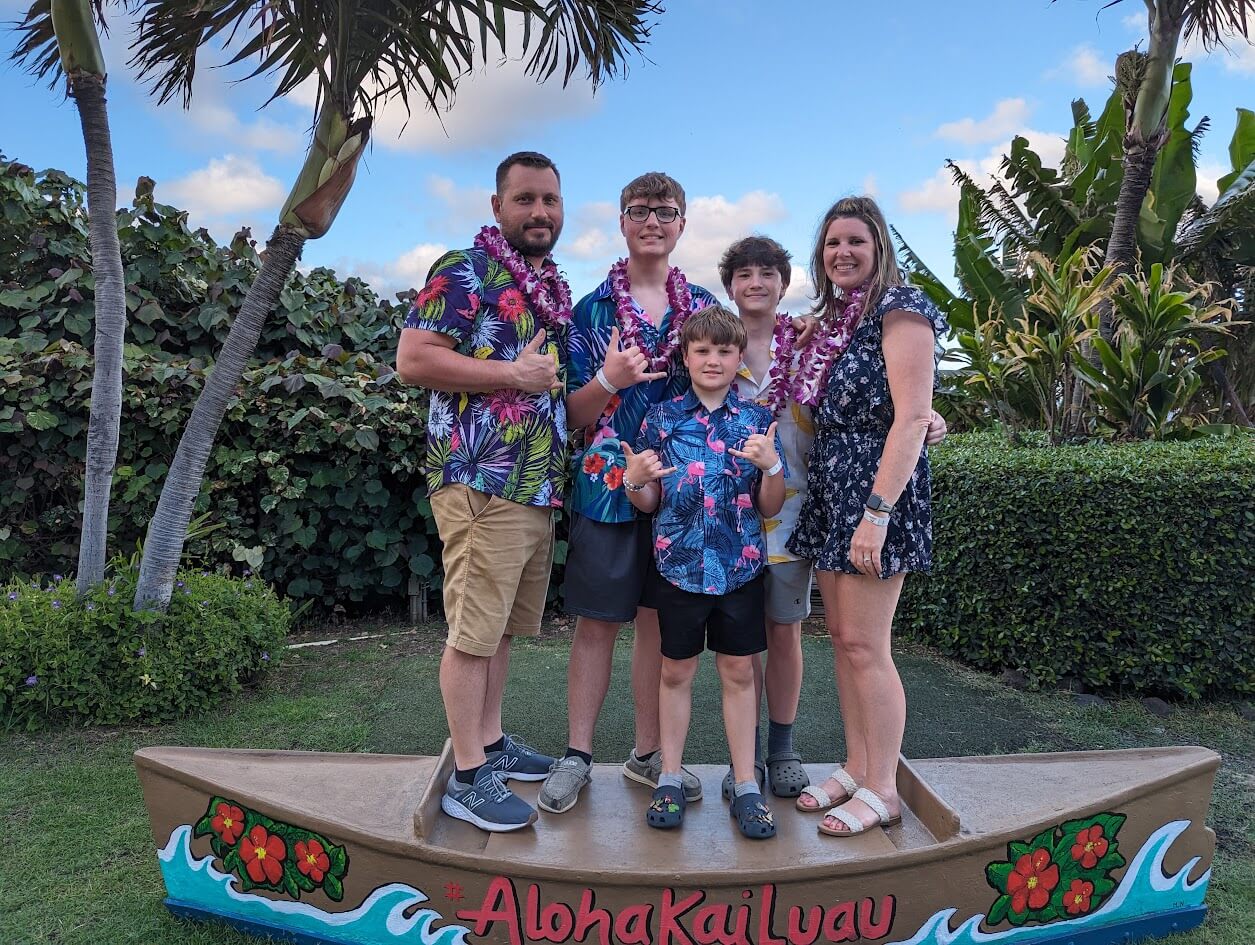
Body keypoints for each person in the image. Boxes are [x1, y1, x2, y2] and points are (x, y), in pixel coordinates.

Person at [395, 152, 659, 833]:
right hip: (481, 478)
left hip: (534, 485)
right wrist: (510, 372)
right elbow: (413, 359)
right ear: (497, 207)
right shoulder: (464, 269)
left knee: (502, 631)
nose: (540, 212)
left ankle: (489, 741)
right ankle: (468, 775)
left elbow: (565, 410)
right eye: (525, 199)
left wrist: (606, 381)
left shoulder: (549, 290)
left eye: (550, 200)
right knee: (473, 634)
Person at [719, 236, 949, 801]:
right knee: (828, 641)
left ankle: (801, 755)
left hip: (811, 507)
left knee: (810, 635)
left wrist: (925, 416)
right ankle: (764, 762)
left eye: (767, 273)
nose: (755, 283)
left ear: (784, 280)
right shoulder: (712, 341)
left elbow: (902, 397)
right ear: (728, 286)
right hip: (730, 519)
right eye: (743, 274)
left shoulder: (816, 337)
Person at [538, 172, 718, 815]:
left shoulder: (699, 307)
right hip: (607, 487)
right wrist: (611, 379)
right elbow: (573, 414)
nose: (652, 221)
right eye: (638, 210)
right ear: (621, 222)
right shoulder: (591, 310)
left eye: (665, 211)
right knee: (596, 625)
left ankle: (647, 756)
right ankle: (578, 754)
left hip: (678, 491)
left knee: (655, 624)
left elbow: (736, 374)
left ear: (681, 223)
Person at [786, 197, 948, 837]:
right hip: (833, 486)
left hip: (873, 494)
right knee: (845, 643)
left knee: (867, 646)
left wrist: (876, 514)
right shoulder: (834, 323)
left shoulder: (900, 311)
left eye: (855, 240)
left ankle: (883, 787)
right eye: (831, 243)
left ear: (879, 246)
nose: (841, 253)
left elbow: (912, 416)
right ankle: (858, 766)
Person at [623, 304, 785, 839]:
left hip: (739, 568)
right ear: (686, 358)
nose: (713, 359)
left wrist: (772, 468)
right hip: (679, 567)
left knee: (739, 674)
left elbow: (769, 506)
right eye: (702, 350)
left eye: (724, 350)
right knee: (676, 672)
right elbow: (648, 502)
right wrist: (634, 479)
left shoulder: (759, 420)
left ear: (740, 358)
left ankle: (745, 785)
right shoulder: (662, 419)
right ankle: (669, 776)